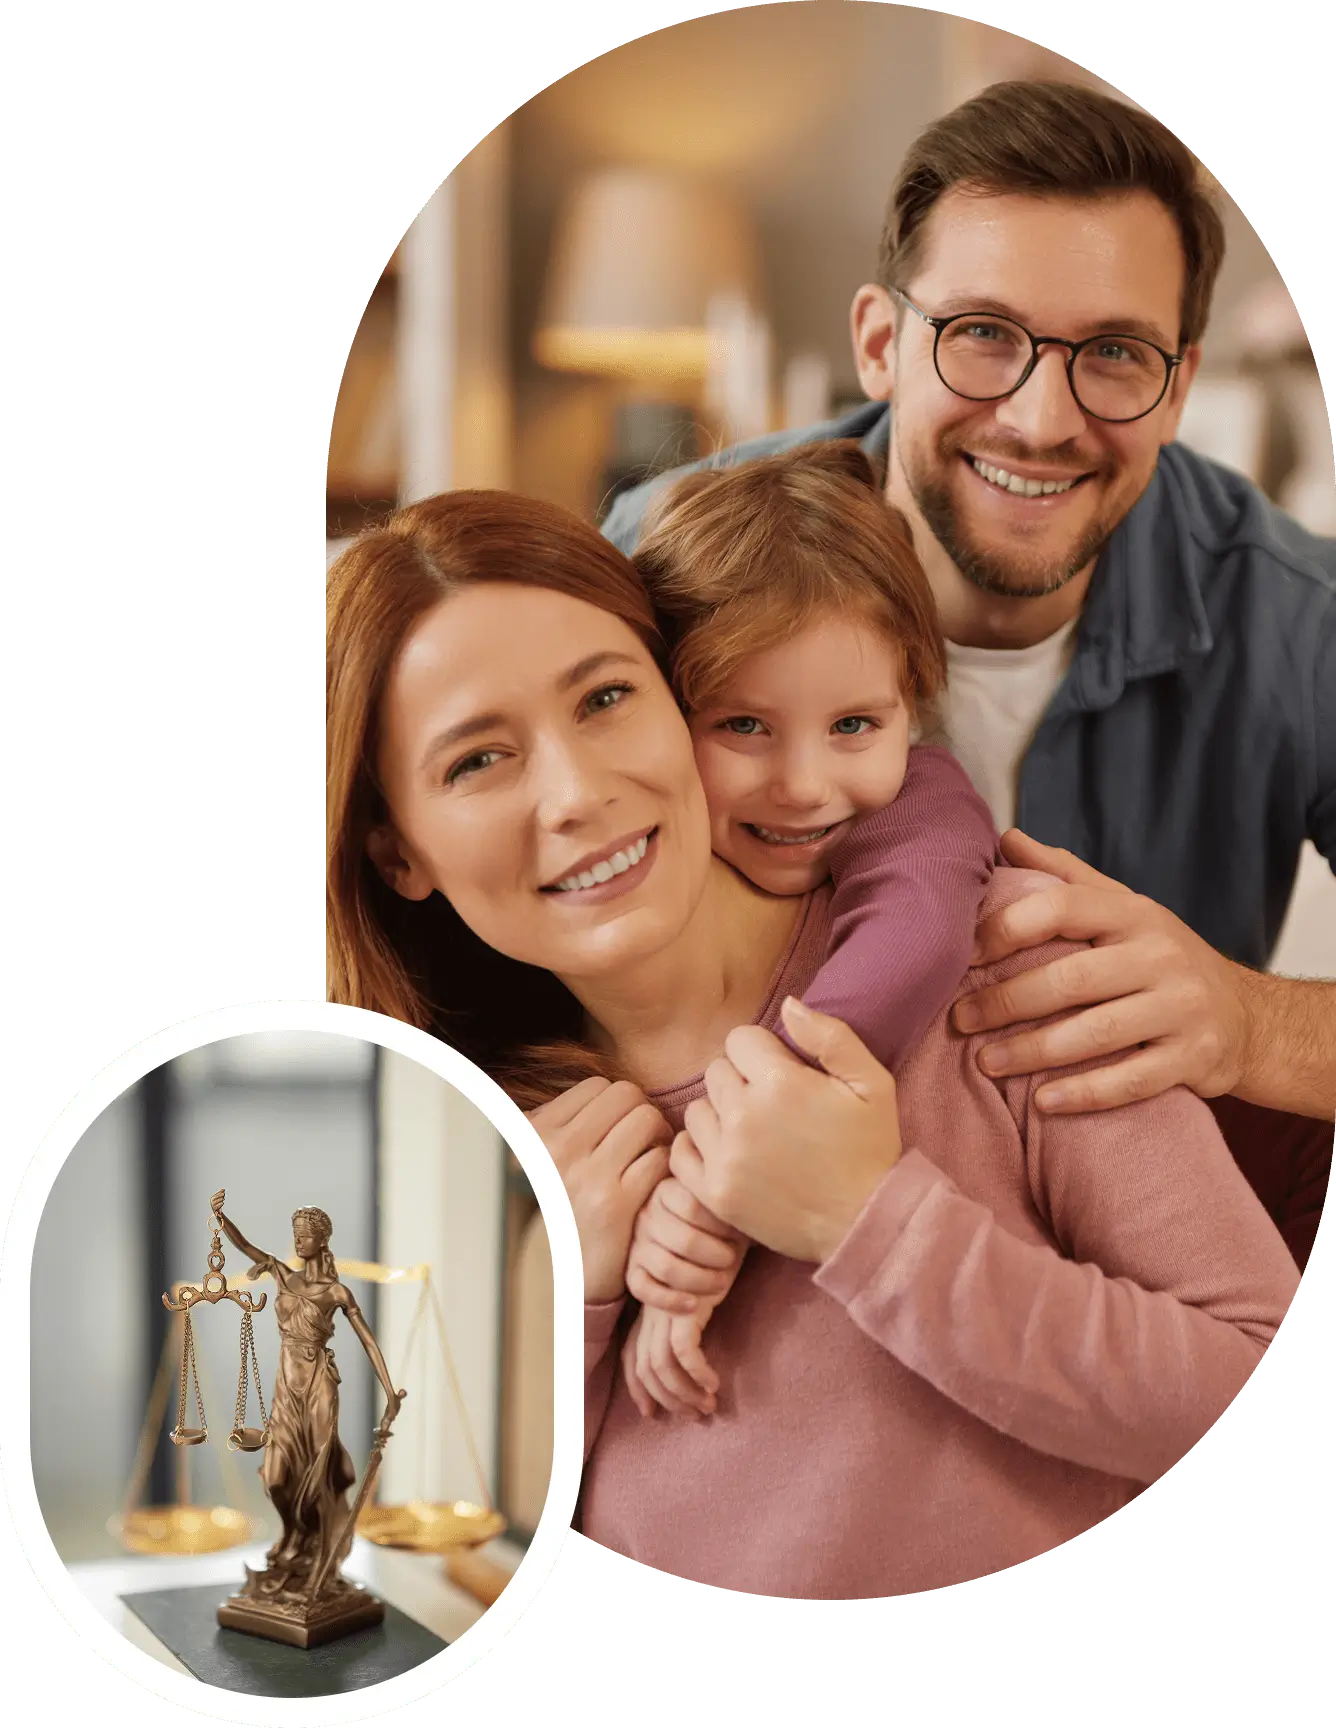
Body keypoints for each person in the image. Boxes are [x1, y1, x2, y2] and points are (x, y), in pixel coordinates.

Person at [324, 489, 1299, 1599]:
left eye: (604, 698)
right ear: (397, 852)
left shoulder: (1002, 963)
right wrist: (558, 1298)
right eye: (476, 762)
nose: (579, 793)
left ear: (685, 691)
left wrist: (871, 1225)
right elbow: (425, 1595)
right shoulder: (464, 1153)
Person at [602, 79, 1336, 1252]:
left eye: (1113, 354)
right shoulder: (662, 561)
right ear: (882, 344)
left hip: (1114, 1278)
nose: (1042, 420)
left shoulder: (1301, 621)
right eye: (983, 334)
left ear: (1179, 387)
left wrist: (1250, 1023)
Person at [622, 438, 996, 1413]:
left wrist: (712, 1187)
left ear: (910, 705)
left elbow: (910, 943)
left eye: (854, 727)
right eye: (741, 726)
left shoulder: (926, 807)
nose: (802, 786)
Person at [211, 1197, 404, 1605]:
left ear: (322, 1239)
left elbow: (368, 1340)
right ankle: (296, 1542)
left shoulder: (336, 1291)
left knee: (319, 1475)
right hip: (285, 1388)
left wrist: (389, 1391)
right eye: (295, 1234)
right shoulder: (282, 1276)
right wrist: (221, 1219)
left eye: (306, 1235)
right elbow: (245, 1246)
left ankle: (321, 1564)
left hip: (318, 1384)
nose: (298, 1241)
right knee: (278, 1478)